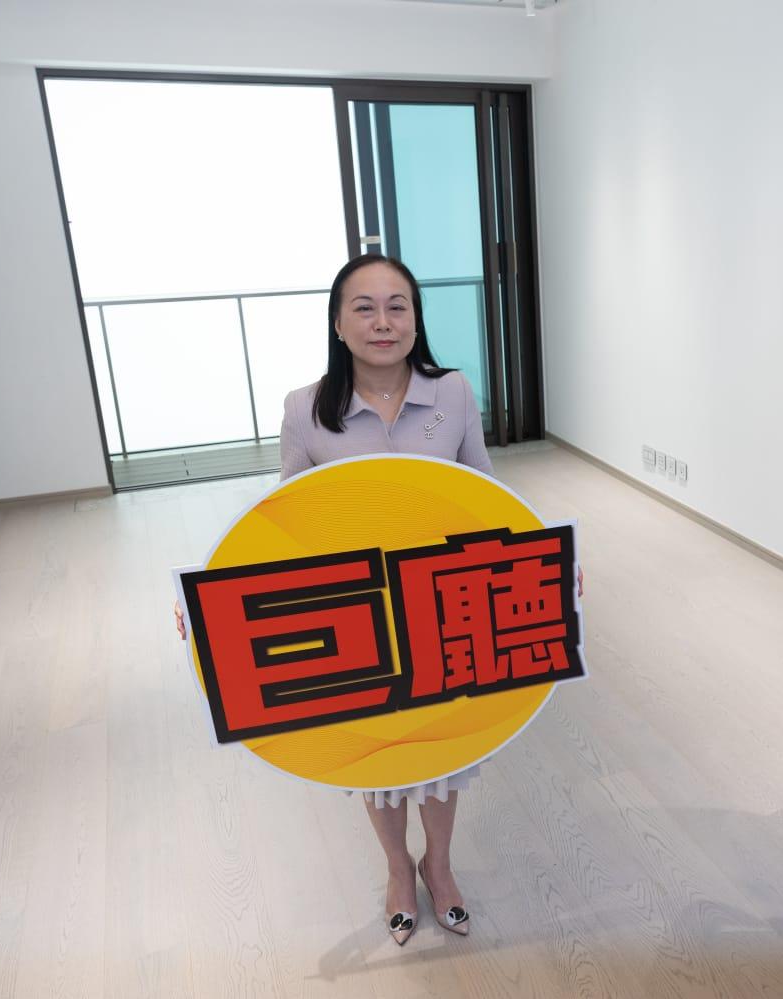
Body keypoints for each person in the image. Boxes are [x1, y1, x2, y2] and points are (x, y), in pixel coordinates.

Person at [177, 252, 486, 945]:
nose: (383, 322)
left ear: (416, 320)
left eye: (398, 306)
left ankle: (438, 865)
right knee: (378, 754)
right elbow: (284, 523)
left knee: (445, 750)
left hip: (440, 604)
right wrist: (206, 594)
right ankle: (398, 870)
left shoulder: (454, 393)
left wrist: (553, 561)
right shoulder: (305, 408)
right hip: (358, 613)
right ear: (338, 324)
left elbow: (489, 495)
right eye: (364, 308)